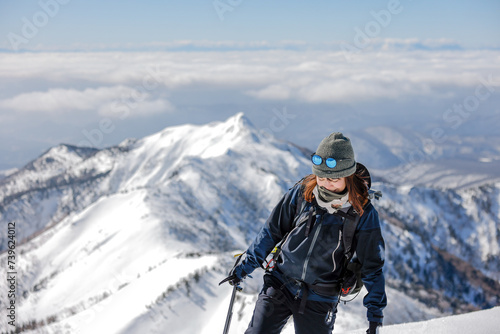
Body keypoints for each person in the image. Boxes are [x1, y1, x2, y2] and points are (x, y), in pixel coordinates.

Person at [220, 132, 387, 334]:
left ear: (348, 176)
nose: (326, 183)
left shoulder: (362, 212)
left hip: (321, 296)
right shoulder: (303, 192)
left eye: (334, 178)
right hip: (280, 283)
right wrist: (246, 266)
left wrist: (375, 317)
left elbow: (372, 266)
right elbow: (272, 231)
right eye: (322, 176)